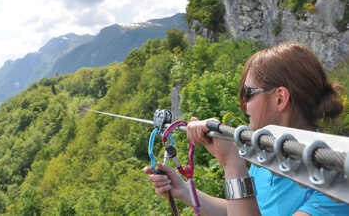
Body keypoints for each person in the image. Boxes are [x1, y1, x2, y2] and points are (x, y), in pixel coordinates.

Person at [144, 42, 349, 215]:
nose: (243, 104)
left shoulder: (336, 181)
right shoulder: (266, 155)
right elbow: (244, 209)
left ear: (280, 98)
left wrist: (233, 164)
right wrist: (185, 191)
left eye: (248, 93)